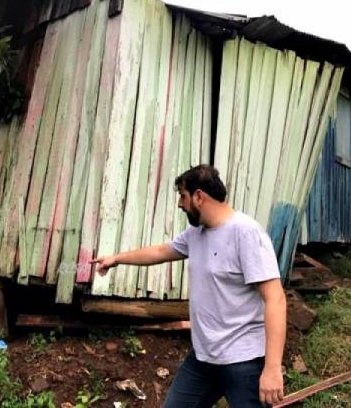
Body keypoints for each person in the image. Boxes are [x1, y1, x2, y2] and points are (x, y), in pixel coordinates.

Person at [91, 165, 286, 407]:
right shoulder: (196, 234)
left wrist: (272, 368)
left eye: (182, 196)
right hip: (204, 359)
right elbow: (161, 251)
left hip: (243, 361)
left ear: (199, 196)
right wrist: (116, 259)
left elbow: (275, 299)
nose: (180, 204)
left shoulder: (246, 233)